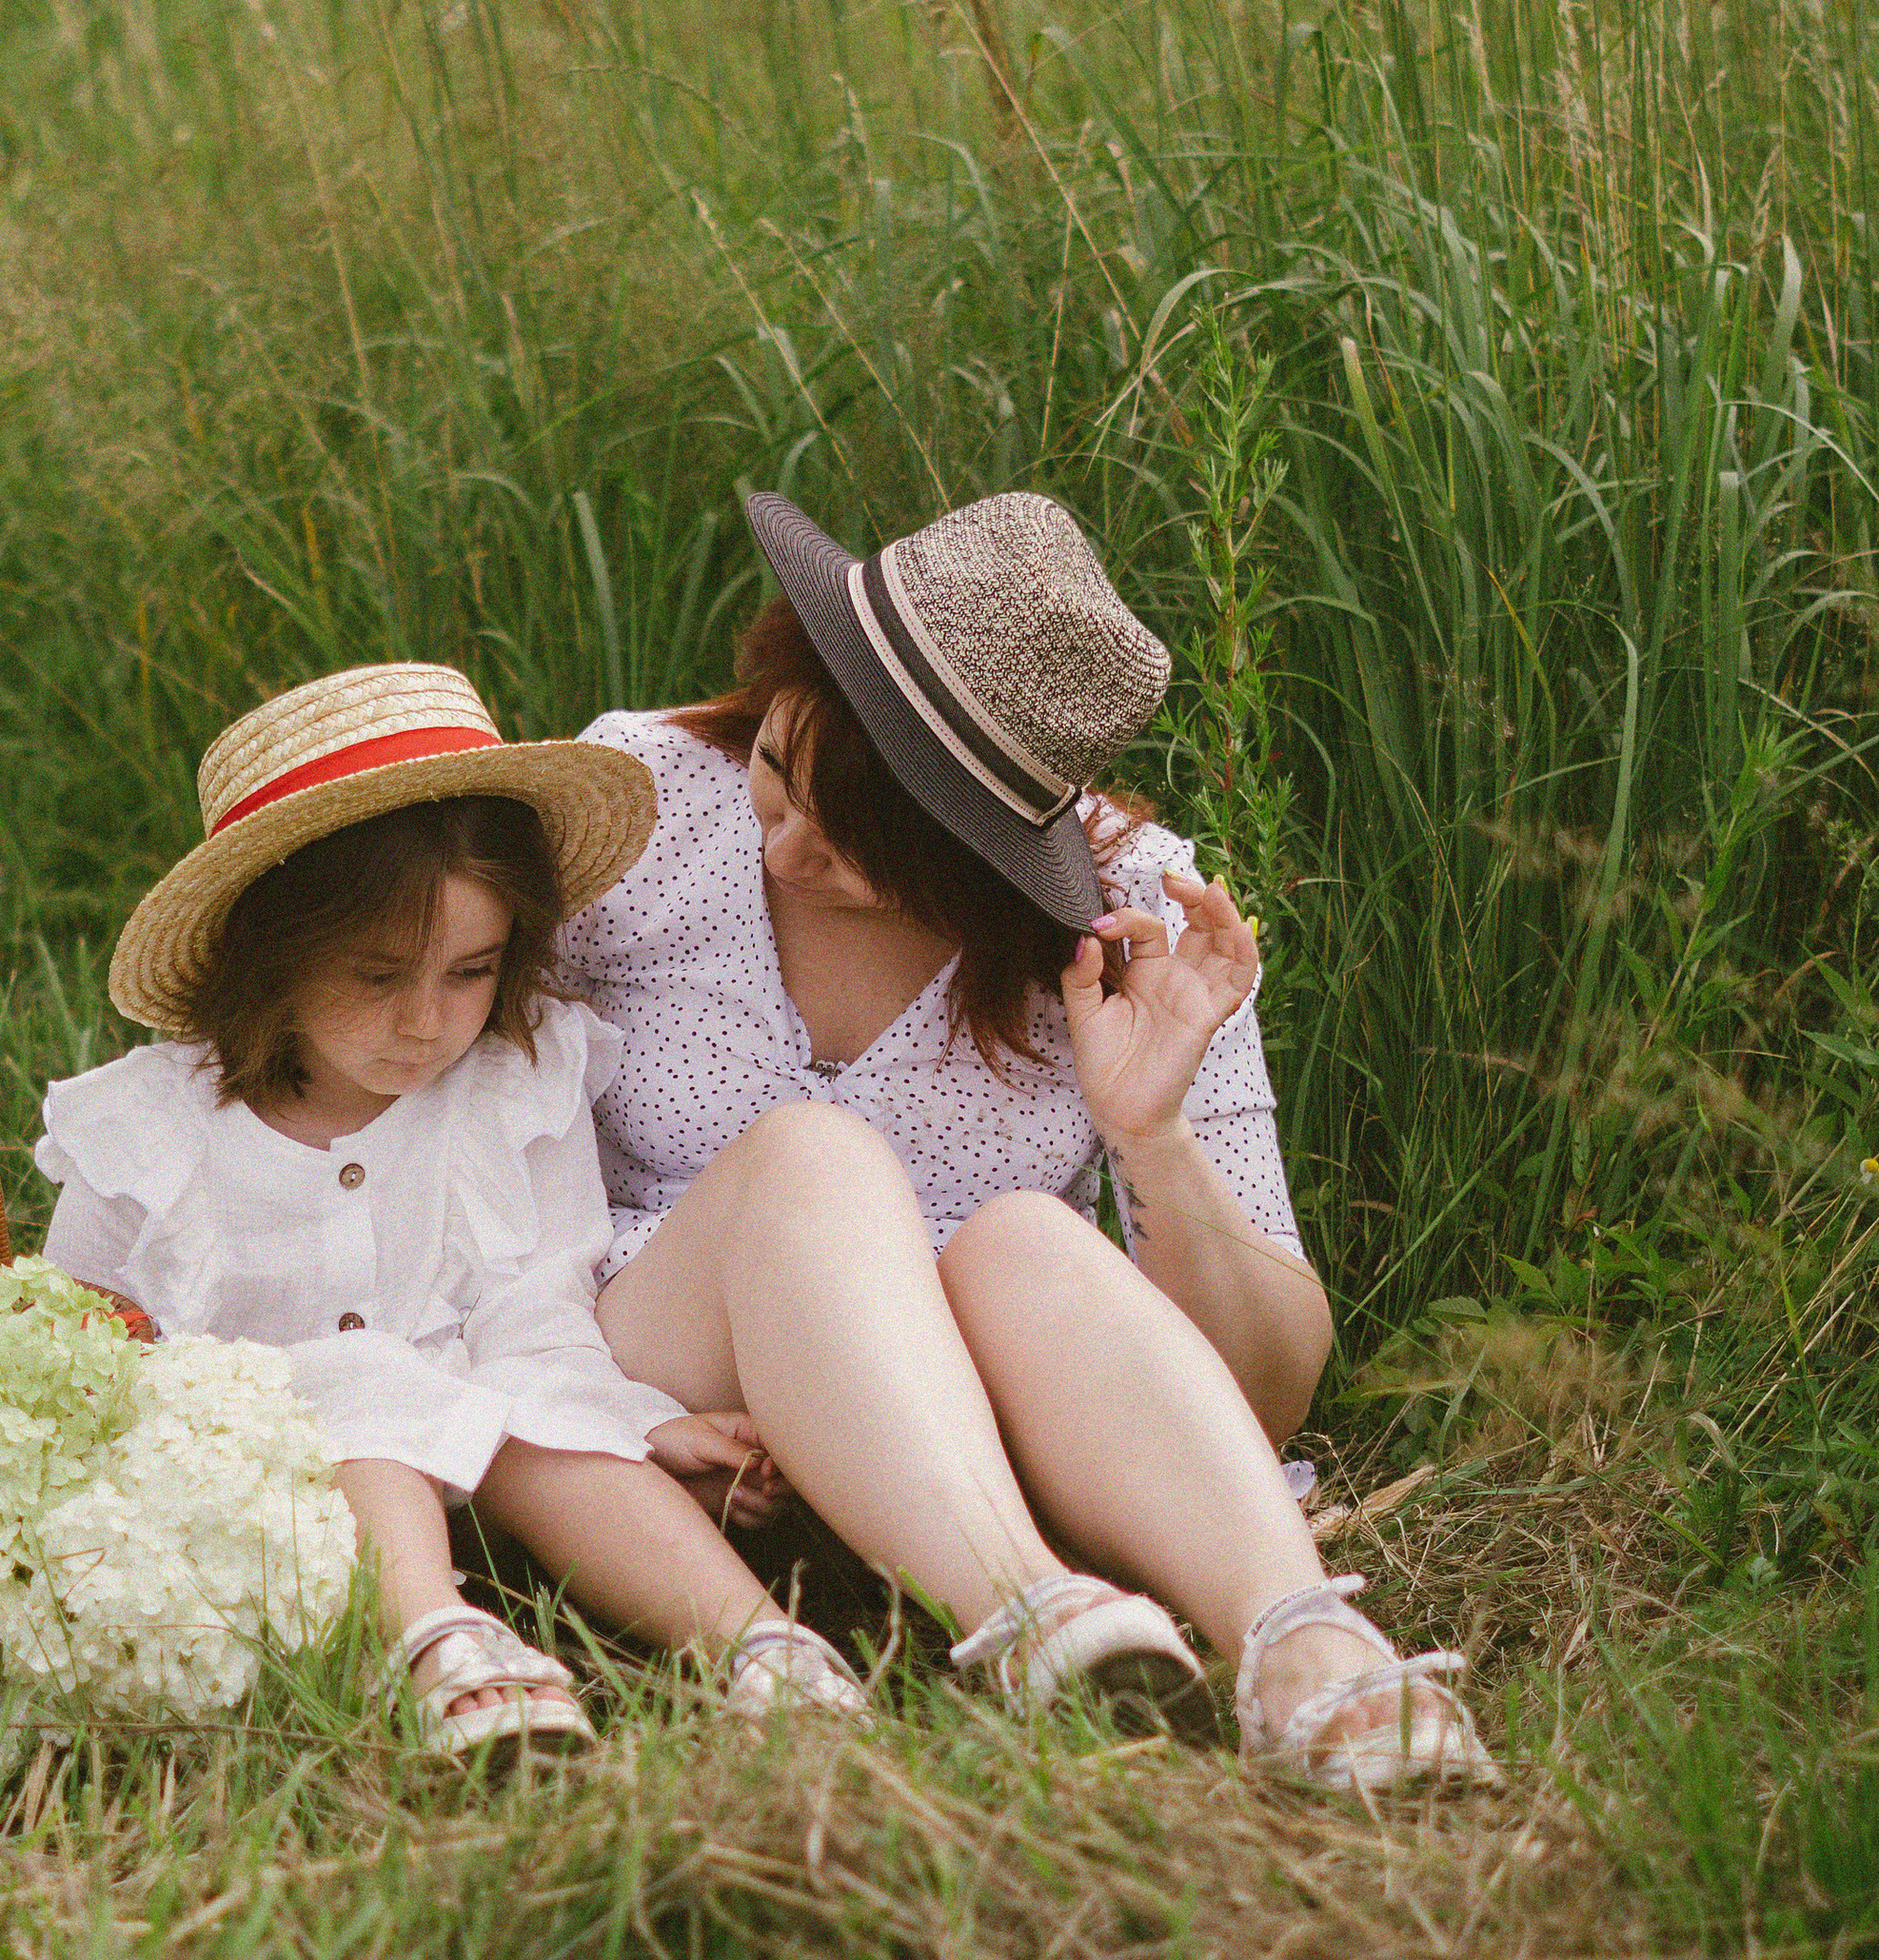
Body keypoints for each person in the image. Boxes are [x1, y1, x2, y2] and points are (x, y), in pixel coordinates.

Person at [553, 489, 1495, 1792]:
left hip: (971, 1423)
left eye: (853, 848)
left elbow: (1266, 1389)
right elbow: (439, 1114)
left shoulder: (1132, 919)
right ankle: (1030, 1610)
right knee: (812, 1156)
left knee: (1025, 1238)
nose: (780, 847)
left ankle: (1304, 1647)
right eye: (777, 770)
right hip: (668, 1390)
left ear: (984, 862)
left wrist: (1149, 1133)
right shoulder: (640, 802)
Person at [33, 662, 867, 1753]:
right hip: (267, 1476)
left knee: (538, 1411)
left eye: (470, 972)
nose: (427, 1023)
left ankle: (758, 1643)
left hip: (478, 1435)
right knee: (360, 1372)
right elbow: (76, 1346)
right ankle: (437, 1640)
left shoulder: (512, 1088)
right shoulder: (148, 1134)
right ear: (271, 955)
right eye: (376, 977)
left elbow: (536, 1303)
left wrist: (637, 1421)